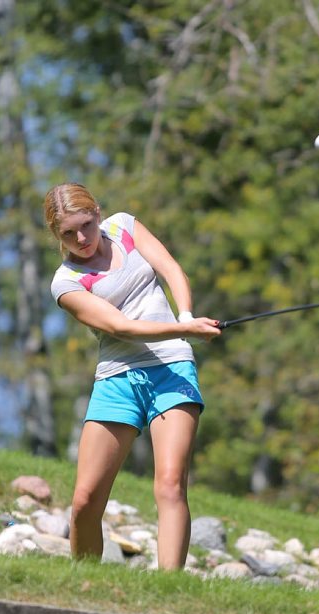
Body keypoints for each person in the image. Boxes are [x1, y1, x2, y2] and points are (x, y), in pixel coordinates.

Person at [44, 182, 221, 570]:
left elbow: (170, 268)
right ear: (56, 236)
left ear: (98, 214)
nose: (81, 238)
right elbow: (121, 328)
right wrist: (184, 330)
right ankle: (86, 587)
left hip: (172, 368)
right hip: (117, 379)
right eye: (68, 234)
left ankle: (167, 590)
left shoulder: (124, 226)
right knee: (86, 501)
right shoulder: (66, 282)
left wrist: (186, 316)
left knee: (171, 484)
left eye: (86, 225)